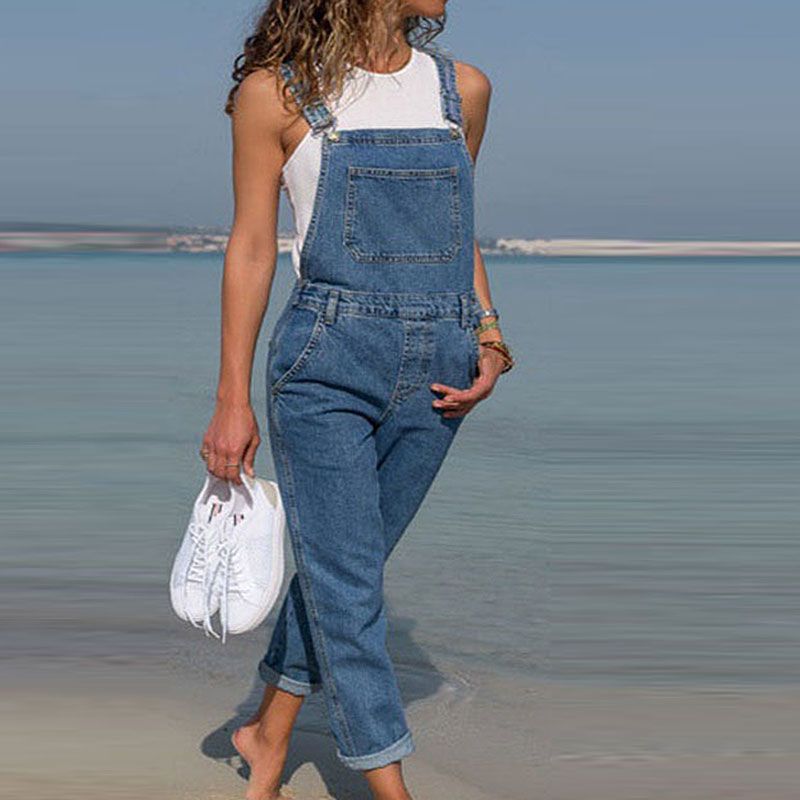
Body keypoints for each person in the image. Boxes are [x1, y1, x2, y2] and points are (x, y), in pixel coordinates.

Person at [201, 1, 514, 798]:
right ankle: (389, 787)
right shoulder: (275, 93)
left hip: (442, 357)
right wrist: (230, 397)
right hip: (325, 359)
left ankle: (266, 734)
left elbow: (457, 232)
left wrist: (489, 338)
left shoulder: (463, 91)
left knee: (349, 569)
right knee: (350, 585)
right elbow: (249, 244)